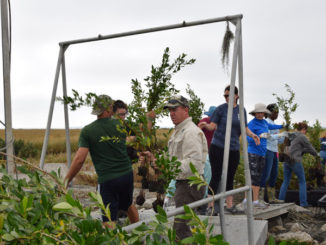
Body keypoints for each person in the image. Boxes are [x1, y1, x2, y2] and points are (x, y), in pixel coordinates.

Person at [64, 95, 139, 226]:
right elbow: (137, 134)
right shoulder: (120, 124)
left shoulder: (87, 131)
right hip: (127, 175)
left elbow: (79, 160)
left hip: (108, 179)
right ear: (110, 109)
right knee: (128, 204)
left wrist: (66, 180)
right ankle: (140, 235)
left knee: (109, 217)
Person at [198, 85, 260, 214]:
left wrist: (253, 135)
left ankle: (230, 205)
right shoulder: (221, 109)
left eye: (228, 95)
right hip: (218, 147)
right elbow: (212, 126)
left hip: (233, 148)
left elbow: (244, 127)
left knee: (230, 177)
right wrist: (205, 126)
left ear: (236, 96)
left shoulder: (241, 110)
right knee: (216, 176)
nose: (226, 98)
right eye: (225, 96)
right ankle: (210, 207)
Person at [163, 95, 208, 241]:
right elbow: (176, 158)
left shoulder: (190, 132)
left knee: (181, 231)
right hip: (183, 184)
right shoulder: (179, 130)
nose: (171, 113)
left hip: (190, 184)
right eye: (169, 110)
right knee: (182, 229)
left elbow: (193, 164)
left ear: (186, 110)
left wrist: (168, 167)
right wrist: (157, 161)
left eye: (175, 109)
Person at [246, 103, 283, 208]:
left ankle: (257, 201)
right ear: (255, 113)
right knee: (255, 176)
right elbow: (247, 137)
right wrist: (256, 137)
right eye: (258, 113)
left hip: (263, 152)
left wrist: (283, 126)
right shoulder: (252, 124)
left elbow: (273, 126)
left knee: (259, 176)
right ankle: (253, 200)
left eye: (262, 112)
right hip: (254, 152)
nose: (260, 114)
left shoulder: (265, 123)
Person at [278, 122, 318, 207]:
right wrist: (316, 154)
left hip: (286, 160)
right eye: (305, 131)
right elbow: (310, 147)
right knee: (302, 181)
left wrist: (304, 151)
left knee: (285, 181)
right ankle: (303, 203)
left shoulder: (291, 134)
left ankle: (280, 202)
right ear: (303, 130)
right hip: (295, 160)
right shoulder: (301, 136)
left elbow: (295, 148)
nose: (305, 133)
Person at [259, 103, 285, 203]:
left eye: (278, 112)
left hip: (275, 151)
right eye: (275, 112)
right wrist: (279, 135)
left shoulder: (275, 125)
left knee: (274, 174)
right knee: (266, 174)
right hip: (268, 150)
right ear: (269, 113)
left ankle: (271, 197)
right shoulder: (266, 123)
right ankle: (260, 198)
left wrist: (284, 137)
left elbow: (279, 141)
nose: (277, 114)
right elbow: (268, 137)